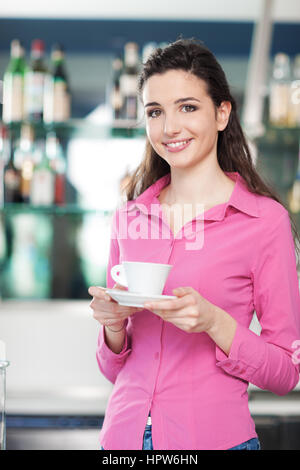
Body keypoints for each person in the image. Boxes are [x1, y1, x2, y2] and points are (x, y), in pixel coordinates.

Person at [88, 38, 300, 450]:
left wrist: (214, 322)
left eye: (188, 107)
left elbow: (286, 372)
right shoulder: (131, 217)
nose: (169, 128)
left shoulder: (264, 221)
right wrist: (113, 326)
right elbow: (115, 370)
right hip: (122, 439)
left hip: (215, 440)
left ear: (222, 114)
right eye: (155, 112)